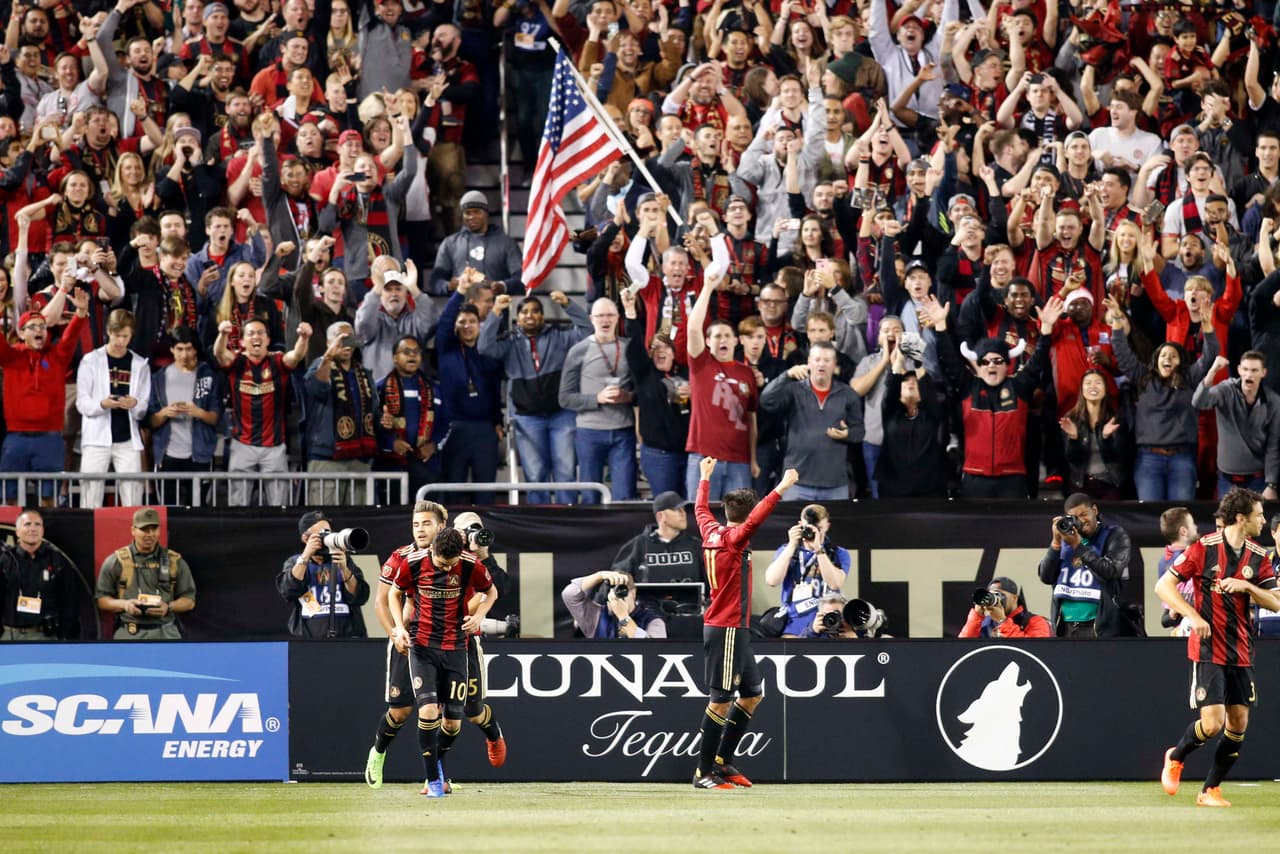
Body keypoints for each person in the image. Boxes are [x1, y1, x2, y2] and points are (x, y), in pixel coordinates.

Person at [1157, 488, 1280, 808]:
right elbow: (1163, 585)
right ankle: (1177, 756)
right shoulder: (1203, 548)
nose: (1263, 520)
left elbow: (1277, 603)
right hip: (1209, 648)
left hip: (1241, 649)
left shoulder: (1259, 555)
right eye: (1259, 515)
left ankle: (1209, 789)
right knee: (1212, 724)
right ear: (1241, 518)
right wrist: (1193, 616)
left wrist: (1248, 587)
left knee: (1238, 725)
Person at [692, 458, 799, 790]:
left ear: (726, 512)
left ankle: (722, 762)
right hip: (725, 628)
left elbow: (699, 509)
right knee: (721, 698)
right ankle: (702, 772)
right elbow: (754, 520)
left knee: (753, 694)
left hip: (736, 629)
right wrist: (780, 487)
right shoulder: (734, 539)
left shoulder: (711, 529)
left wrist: (704, 478)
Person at [385, 526, 496, 797]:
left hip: (456, 647)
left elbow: (491, 591)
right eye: (443, 564)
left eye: (453, 563)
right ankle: (434, 780)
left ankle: (438, 769)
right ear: (432, 551)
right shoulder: (412, 563)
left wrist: (480, 615)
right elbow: (393, 594)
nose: (448, 569)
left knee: (452, 723)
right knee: (427, 712)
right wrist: (399, 627)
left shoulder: (471, 565)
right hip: (422, 647)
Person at [479, 290, 591, 505]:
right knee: (535, 473)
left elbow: (587, 331)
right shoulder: (509, 342)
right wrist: (495, 312)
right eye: (525, 312)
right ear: (517, 317)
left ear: (543, 316)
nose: (530, 315)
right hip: (526, 418)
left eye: (536, 311)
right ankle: (540, 518)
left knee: (565, 470)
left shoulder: (559, 336)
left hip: (562, 415)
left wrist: (568, 304)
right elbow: (484, 346)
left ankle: (567, 516)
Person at [365, 500, 448, 790]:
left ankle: (436, 775)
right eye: (416, 524)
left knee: (440, 712)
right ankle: (378, 752)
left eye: (426, 523)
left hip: (443, 643)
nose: (420, 529)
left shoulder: (455, 557)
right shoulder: (401, 557)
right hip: (408, 640)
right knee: (401, 711)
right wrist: (395, 633)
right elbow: (380, 602)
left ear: (441, 526)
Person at [214, 317, 313, 506]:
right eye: (250, 333)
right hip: (242, 444)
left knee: (279, 505)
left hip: (274, 446)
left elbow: (296, 356)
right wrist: (223, 335)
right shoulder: (237, 363)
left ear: (268, 340)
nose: (256, 337)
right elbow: (219, 353)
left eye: (261, 333)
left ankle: (277, 536)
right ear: (242, 341)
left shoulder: (277, 362)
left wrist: (304, 338)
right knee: (238, 506)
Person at [0, 296, 88, 505]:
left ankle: (46, 536)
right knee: (8, 495)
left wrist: (81, 314)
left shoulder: (57, 358)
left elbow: (69, 338)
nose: (39, 330)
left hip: (49, 438)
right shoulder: (11, 358)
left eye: (42, 326)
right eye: (32, 327)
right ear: (21, 334)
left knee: (49, 496)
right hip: (16, 438)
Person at [759, 342, 863, 500]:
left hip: (835, 483)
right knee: (795, 526)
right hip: (796, 482)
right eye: (817, 359)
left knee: (834, 526)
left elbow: (860, 432)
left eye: (827, 360)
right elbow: (767, 400)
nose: (821, 364)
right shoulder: (794, 390)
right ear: (808, 362)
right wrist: (786, 376)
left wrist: (847, 434)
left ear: (834, 364)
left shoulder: (847, 394)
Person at [559, 297, 636, 503]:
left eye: (610, 315)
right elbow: (565, 398)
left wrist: (628, 396)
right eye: (600, 315)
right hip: (589, 432)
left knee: (624, 494)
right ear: (591, 319)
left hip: (623, 431)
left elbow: (642, 390)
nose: (605, 320)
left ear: (618, 318)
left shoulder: (628, 348)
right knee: (590, 494)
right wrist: (597, 398)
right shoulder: (579, 350)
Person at [75, 309, 150, 509]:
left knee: (133, 497)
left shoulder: (140, 364)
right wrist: (102, 404)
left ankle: (134, 537)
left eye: (125, 336)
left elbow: (143, 407)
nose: (120, 341)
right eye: (117, 335)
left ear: (131, 335)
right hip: (96, 438)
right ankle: (88, 535)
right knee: (90, 497)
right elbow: (82, 402)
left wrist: (134, 405)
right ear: (108, 331)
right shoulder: (91, 361)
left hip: (127, 439)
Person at [451, 512, 509, 771]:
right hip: (436, 638)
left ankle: (494, 734)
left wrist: (483, 553)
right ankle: (436, 777)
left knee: (473, 712)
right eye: (466, 530)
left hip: (466, 638)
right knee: (433, 710)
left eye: (477, 529)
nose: (472, 534)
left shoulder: (480, 561)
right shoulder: (444, 555)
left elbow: (501, 589)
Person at [1037, 493, 1135, 639]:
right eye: (1075, 517)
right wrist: (1056, 543)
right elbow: (1045, 577)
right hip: (1065, 626)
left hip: (1098, 627)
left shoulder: (1115, 535)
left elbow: (1111, 571)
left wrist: (1078, 545)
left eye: (1084, 514)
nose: (1082, 521)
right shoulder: (1065, 540)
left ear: (1094, 510)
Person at [303, 322, 379, 506]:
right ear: (329, 342)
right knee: (324, 523)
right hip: (327, 458)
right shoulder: (320, 366)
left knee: (359, 524)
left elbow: (374, 410)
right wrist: (329, 356)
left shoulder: (364, 374)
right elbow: (316, 388)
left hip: (360, 459)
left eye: (349, 338)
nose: (346, 344)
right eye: (340, 339)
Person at [94, 507, 196, 640]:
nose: (150, 534)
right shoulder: (116, 561)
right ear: (133, 530)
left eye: (154, 529)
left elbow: (189, 600)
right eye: (144, 529)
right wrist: (125, 604)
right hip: (129, 632)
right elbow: (101, 600)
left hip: (166, 632)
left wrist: (169, 607)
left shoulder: (174, 561)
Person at [147, 327, 221, 506]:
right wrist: (164, 413)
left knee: (199, 511)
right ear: (171, 349)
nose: (184, 354)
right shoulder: (159, 378)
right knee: (166, 510)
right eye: (179, 349)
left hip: (199, 454)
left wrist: (199, 413)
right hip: (167, 455)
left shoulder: (208, 375)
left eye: (188, 348)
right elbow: (150, 422)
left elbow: (216, 418)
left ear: (195, 349)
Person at [1192, 352, 1280, 500]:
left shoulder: (1273, 401)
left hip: (1258, 479)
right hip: (1228, 479)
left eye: (1254, 370)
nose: (1248, 375)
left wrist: (1271, 484)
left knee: (1259, 522)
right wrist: (1213, 371)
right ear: (1239, 370)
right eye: (1245, 369)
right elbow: (1199, 402)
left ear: (1263, 373)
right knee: (1228, 522)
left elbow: (1274, 445)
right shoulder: (1226, 390)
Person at [277, 510, 369, 639]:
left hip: (348, 639)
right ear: (305, 538)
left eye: (328, 533)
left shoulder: (343, 559)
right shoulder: (295, 562)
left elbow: (360, 596)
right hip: (308, 642)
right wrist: (305, 557)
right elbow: (288, 590)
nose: (326, 538)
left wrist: (344, 568)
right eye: (321, 535)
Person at [764, 503, 852, 637]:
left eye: (819, 529)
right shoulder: (788, 551)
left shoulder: (838, 553)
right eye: (809, 528)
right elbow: (771, 580)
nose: (814, 532)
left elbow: (835, 583)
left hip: (830, 621)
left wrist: (819, 550)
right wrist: (792, 545)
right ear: (800, 524)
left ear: (827, 525)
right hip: (795, 623)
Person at [0, 509, 81, 641]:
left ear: (43, 530)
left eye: (37, 524)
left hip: (45, 637)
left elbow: (69, 602)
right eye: (27, 524)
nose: (33, 528)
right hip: (10, 636)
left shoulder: (57, 560)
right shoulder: (6, 560)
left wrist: (65, 637)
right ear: (17, 531)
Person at [608, 491, 704, 585]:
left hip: (689, 601)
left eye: (684, 509)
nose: (683, 513)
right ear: (660, 516)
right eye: (677, 509)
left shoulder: (696, 545)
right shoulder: (639, 545)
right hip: (647, 600)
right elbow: (617, 579)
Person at [561, 570, 668, 639]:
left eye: (623, 591)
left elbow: (653, 651)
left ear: (634, 593)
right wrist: (599, 575)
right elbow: (569, 595)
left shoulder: (653, 621)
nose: (619, 597)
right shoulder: (595, 616)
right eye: (616, 593)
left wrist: (623, 617)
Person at [958, 577, 1052, 639]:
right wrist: (976, 615)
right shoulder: (985, 623)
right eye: (991, 595)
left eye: (999, 595)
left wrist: (1003, 621)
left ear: (1014, 598)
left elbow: (1035, 651)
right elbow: (962, 647)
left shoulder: (1035, 621)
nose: (996, 600)